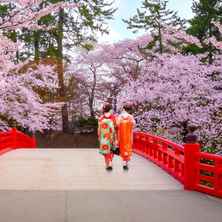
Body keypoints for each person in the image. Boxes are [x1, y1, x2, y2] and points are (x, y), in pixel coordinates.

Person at [98, 103, 117, 171]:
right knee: (111, 150)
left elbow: (99, 128)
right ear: (110, 109)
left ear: (103, 109)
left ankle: (107, 164)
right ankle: (110, 162)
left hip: (104, 136)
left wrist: (99, 136)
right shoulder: (113, 117)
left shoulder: (101, 118)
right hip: (112, 136)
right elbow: (115, 127)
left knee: (105, 150)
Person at [117, 104, 136, 170]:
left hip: (121, 135)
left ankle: (124, 161)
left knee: (123, 148)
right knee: (128, 147)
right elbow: (133, 125)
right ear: (129, 110)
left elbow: (117, 125)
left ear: (123, 109)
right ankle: (125, 162)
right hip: (129, 135)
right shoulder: (131, 117)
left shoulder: (120, 117)